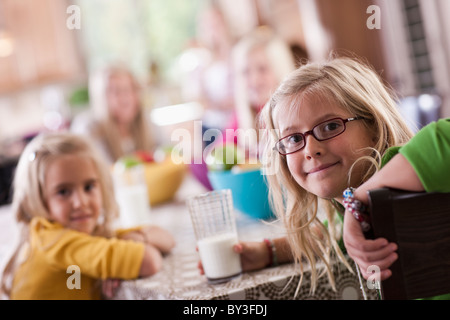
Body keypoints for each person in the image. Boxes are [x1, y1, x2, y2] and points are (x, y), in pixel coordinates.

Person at [200, 55, 417, 294]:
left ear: (374, 127)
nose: (310, 149)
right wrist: (267, 252)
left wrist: (358, 199)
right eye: (293, 139)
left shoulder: (408, 172)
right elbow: (332, 234)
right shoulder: (351, 209)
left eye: (331, 126)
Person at [0, 132, 175, 299]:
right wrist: (128, 248)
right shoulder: (55, 241)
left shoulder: (84, 235)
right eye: (63, 192)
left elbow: (167, 239)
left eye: (89, 187)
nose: (80, 202)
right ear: (38, 198)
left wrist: (134, 238)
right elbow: (149, 261)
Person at [226, 26, 297, 155]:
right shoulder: (241, 116)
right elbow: (217, 161)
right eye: (245, 72)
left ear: (280, 70)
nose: (254, 80)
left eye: (262, 69)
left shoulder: (295, 112)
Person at [71, 65, 156, 164]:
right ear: (101, 97)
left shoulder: (146, 122)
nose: (125, 97)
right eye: (116, 91)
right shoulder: (88, 128)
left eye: (129, 89)